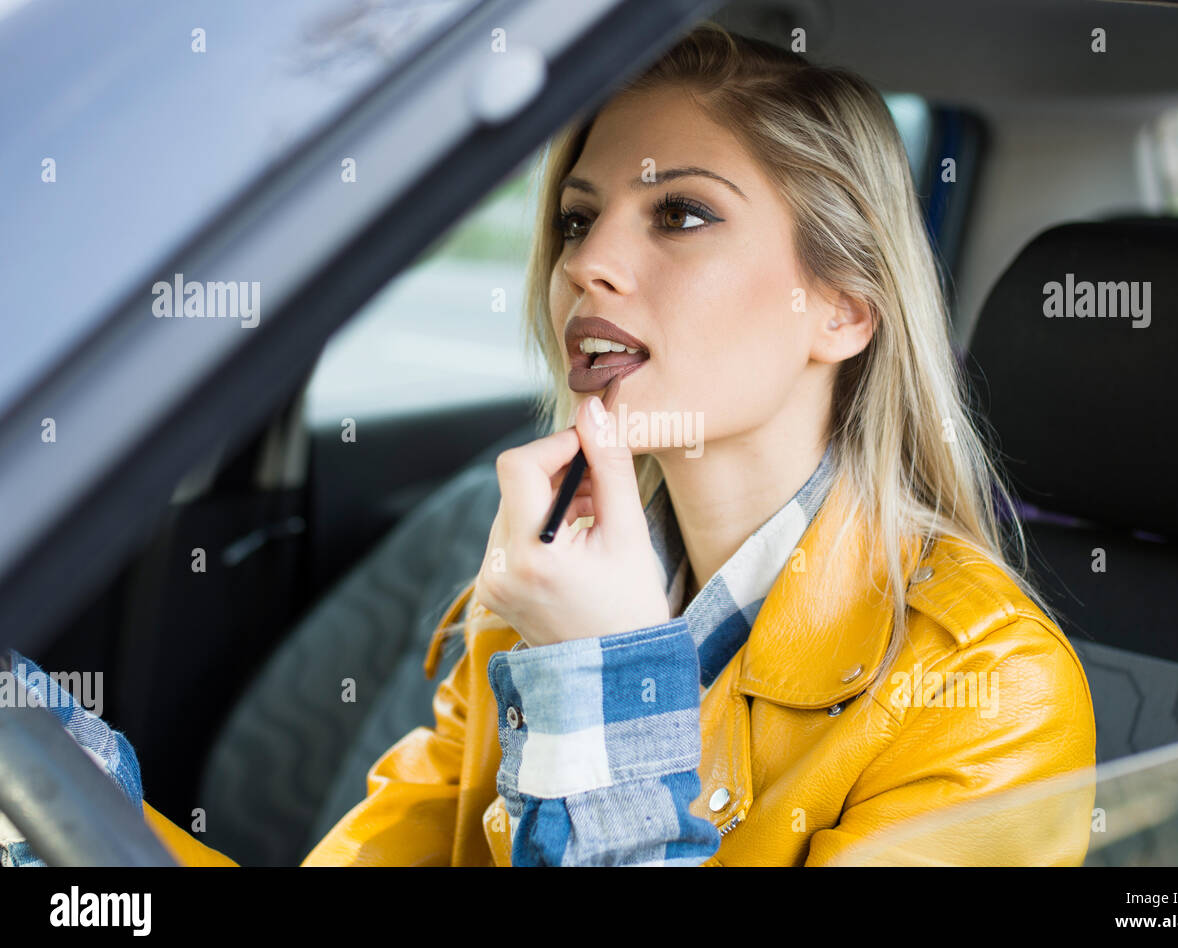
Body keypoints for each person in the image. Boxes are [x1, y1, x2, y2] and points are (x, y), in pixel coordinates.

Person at [2, 21, 1095, 867]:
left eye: (680, 214)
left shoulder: (988, 692)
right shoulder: (532, 599)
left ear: (844, 310)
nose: (589, 264)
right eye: (578, 218)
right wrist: (55, 783)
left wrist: (603, 685)